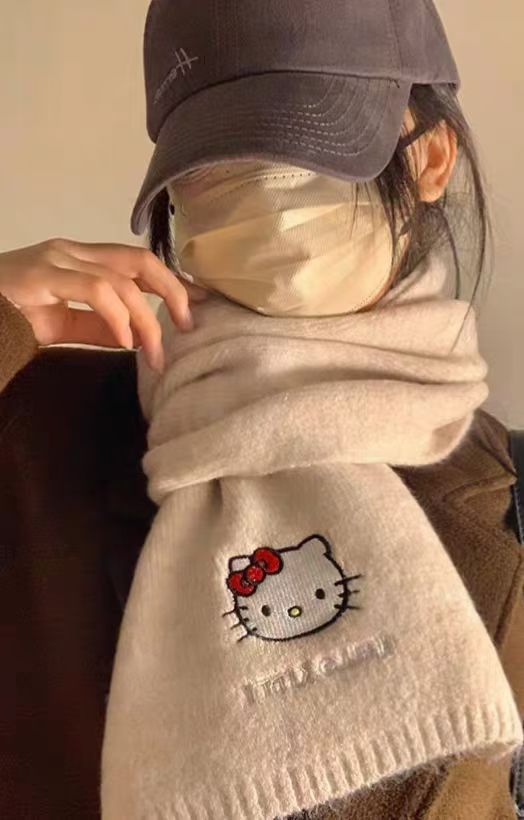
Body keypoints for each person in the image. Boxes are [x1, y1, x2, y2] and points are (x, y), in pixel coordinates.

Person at [1, 0, 522, 818]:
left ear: (430, 159)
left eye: (308, 156)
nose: (267, 208)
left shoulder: (510, 496)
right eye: (217, 170)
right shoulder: (38, 429)